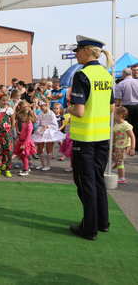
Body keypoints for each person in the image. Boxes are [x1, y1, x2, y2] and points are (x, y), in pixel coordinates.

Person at [68, 35, 115, 240]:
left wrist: (66, 108)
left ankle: (89, 228)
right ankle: (102, 222)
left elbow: (78, 111)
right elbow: (112, 107)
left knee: (85, 183)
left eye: (77, 51)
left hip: (85, 138)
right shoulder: (105, 74)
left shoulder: (82, 75)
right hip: (102, 137)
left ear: (87, 51)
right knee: (97, 180)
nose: (76, 54)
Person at [32, 100, 64, 171]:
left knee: (48, 148)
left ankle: (48, 165)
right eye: (40, 106)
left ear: (46, 106)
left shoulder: (51, 113)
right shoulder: (41, 114)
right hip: (41, 131)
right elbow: (38, 122)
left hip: (50, 132)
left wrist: (47, 126)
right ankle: (42, 164)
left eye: (43, 106)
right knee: (40, 148)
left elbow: (55, 125)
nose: (42, 108)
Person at [114, 65, 138, 150]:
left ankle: (128, 146)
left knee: (126, 127)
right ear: (131, 73)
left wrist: (116, 109)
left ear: (123, 74)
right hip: (137, 106)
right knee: (136, 126)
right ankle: (135, 146)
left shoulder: (120, 84)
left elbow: (118, 100)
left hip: (126, 108)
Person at [0, 95, 14, 177]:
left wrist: (12, 132)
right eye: (3, 100)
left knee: (8, 151)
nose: (4, 102)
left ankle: (7, 168)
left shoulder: (10, 110)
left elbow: (13, 121)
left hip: (7, 134)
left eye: (6, 100)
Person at [112, 107, 135, 184]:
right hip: (118, 146)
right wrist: (113, 144)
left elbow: (132, 137)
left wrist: (132, 148)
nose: (113, 115)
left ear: (120, 115)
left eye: (114, 114)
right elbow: (115, 136)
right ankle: (116, 163)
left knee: (120, 162)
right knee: (116, 159)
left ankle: (122, 178)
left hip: (124, 147)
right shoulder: (116, 124)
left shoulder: (126, 125)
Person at [14, 104, 37, 176]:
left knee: (25, 156)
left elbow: (28, 136)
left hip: (26, 142)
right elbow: (23, 132)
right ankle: (26, 167)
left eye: (22, 118)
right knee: (22, 156)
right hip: (21, 140)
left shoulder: (29, 124)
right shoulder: (25, 123)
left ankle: (26, 170)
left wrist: (24, 144)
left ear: (26, 117)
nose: (21, 119)